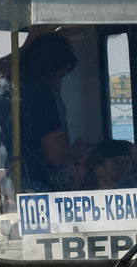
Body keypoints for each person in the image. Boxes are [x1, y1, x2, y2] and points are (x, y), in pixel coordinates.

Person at [18, 34, 87, 191]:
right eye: (58, 75)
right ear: (46, 69)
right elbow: (55, 155)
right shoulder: (41, 94)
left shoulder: (9, 89)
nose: (57, 82)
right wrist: (76, 151)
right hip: (37, 182)